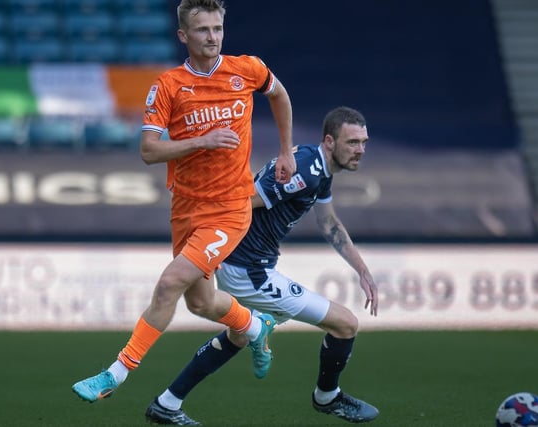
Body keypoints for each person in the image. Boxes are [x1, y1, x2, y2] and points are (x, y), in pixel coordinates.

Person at [72, 0, 295, 402]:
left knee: (170, 282)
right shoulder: (168, 86)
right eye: (202, 30)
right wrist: (203, 141)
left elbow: (279, 96)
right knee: (201, 301)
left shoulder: (247, 69)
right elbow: (149, 151)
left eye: (217, 28)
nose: (212, 37)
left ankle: (115, 374)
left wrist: (285, 151)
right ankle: (254, 326)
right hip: (187, 207)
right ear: (183, 36)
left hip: (230, 208)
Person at [144, 106, 380, 426]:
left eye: (364, 142)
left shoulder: (319, 168)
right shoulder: (306, 170)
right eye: (352, 142)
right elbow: (244, 198)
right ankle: (327, 397)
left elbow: (328, 223)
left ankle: (167, 403)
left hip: (244, 263)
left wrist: (361, 268)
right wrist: (205, 229)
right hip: (248, 270)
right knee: (346, 324)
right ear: (329, 141)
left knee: (239, 335)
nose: (360, 150)